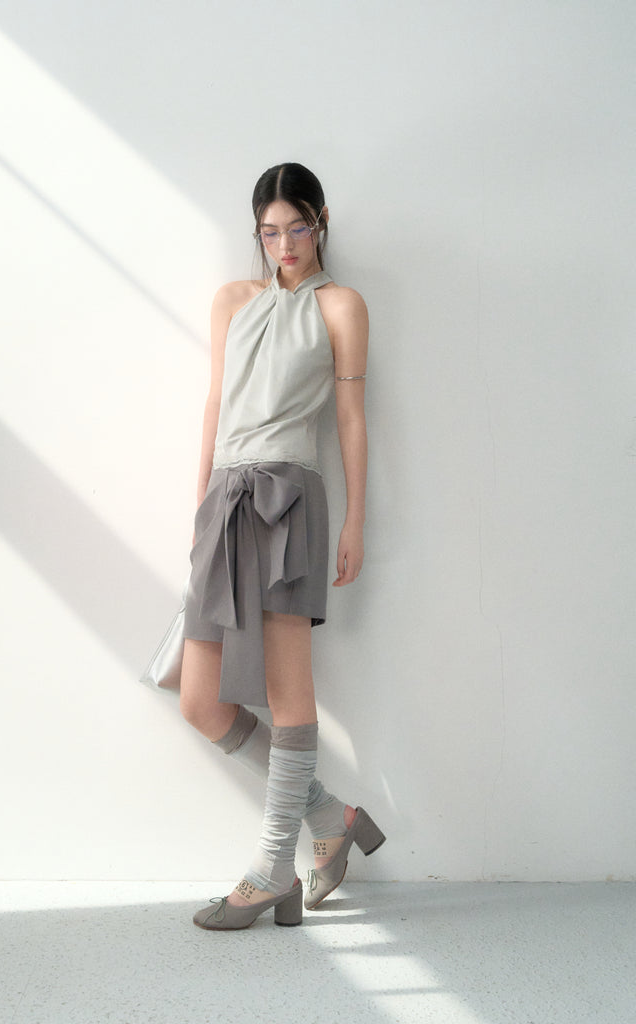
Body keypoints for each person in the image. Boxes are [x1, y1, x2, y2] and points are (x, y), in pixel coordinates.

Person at [180, 163, 384, 930]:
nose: (285, 245)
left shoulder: (341, 306)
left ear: (321, 221)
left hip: (290, 498)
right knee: (201, 700)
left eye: (298, 228)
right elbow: (215, 403)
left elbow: (351, 420)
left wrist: (355, 521)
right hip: (226, 500)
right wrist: (200, 503)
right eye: (270, 233)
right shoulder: (232, 301)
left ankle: (272, 870)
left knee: (288, 691)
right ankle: (331, 816)